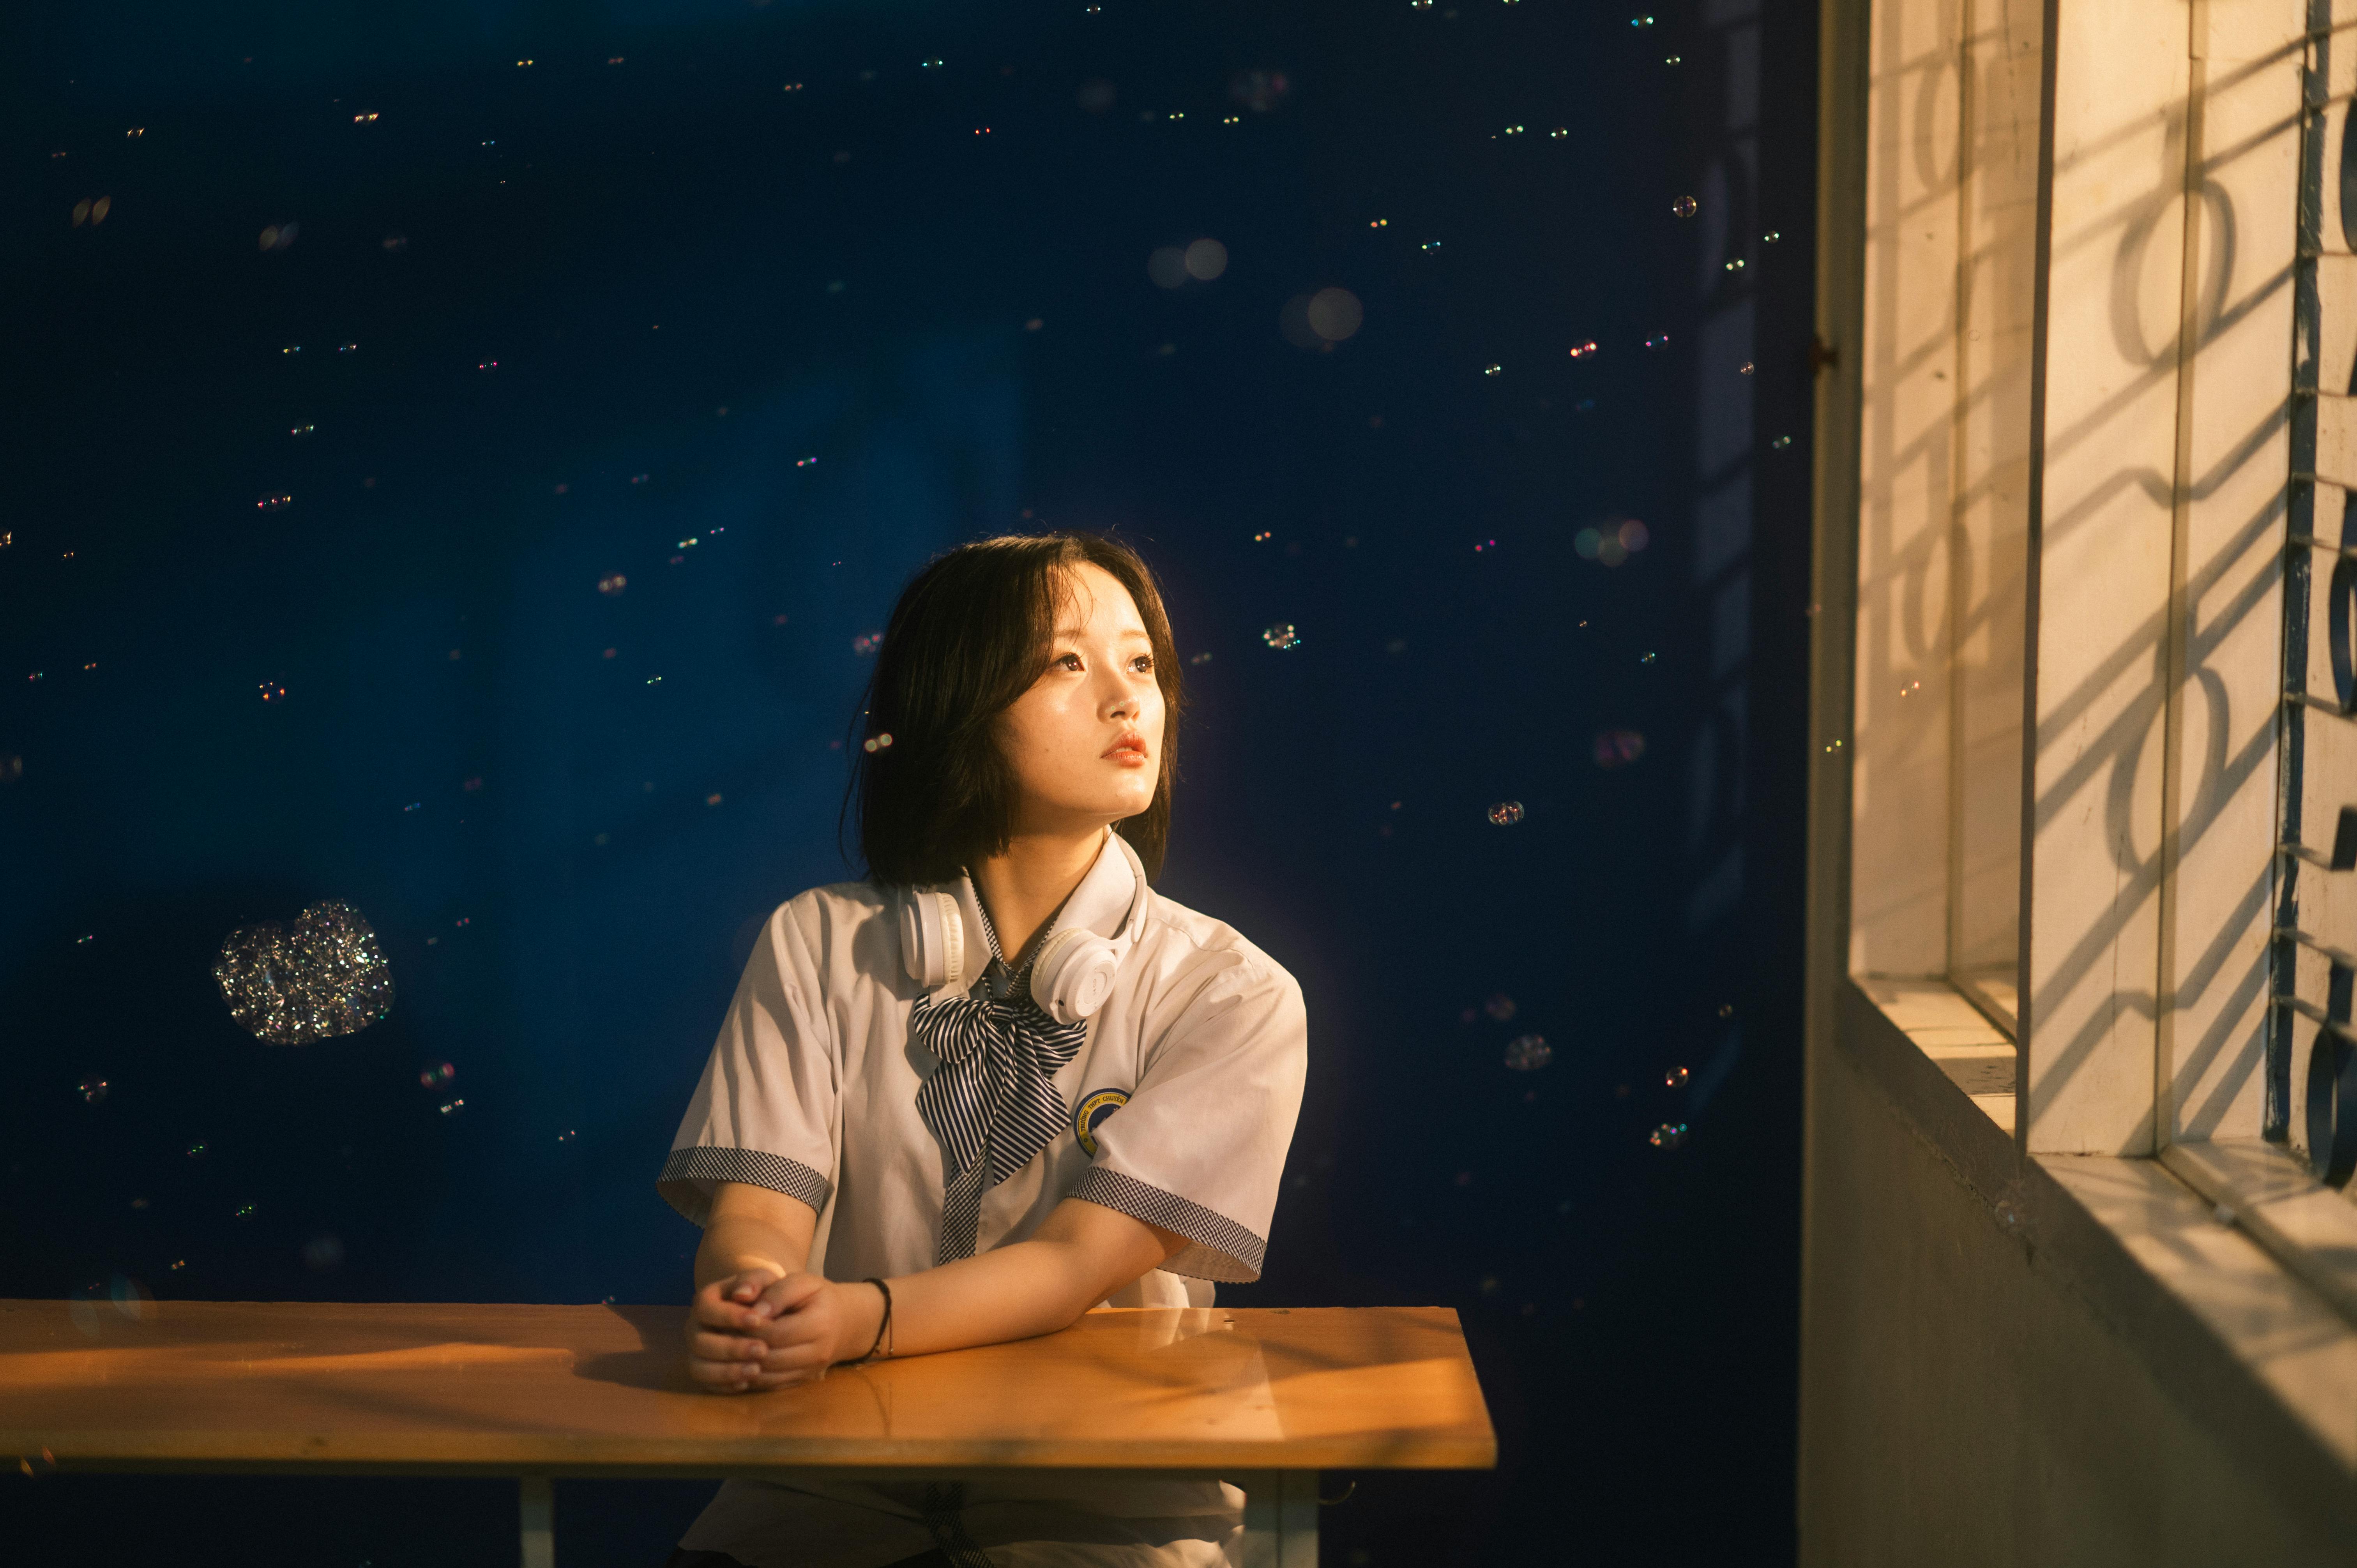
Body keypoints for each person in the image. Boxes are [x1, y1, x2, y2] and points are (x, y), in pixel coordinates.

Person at [654, 532, 1309, 1568]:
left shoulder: (1233, 992)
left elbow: (1072, 1267)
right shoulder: (818, 941)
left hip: (1108, 1494)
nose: (1125, 697)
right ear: (956, 700)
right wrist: (752, 1299)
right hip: (826, 1477)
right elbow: (758, 1215)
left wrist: (851, 1319)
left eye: (1140, 663)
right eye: (1066, 662)